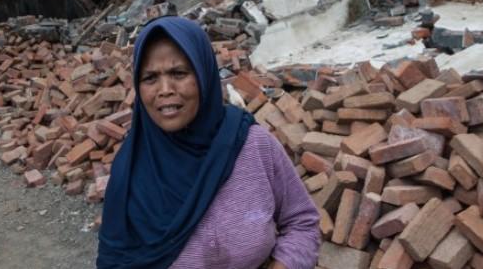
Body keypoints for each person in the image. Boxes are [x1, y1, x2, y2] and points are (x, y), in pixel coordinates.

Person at [97, 16, 321, 269]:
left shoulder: (250, 144)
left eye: (178, 73)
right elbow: (114, 262)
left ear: (204, 74)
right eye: (150, 78)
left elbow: (302, 222)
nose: (165, 89)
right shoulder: (131, 170)